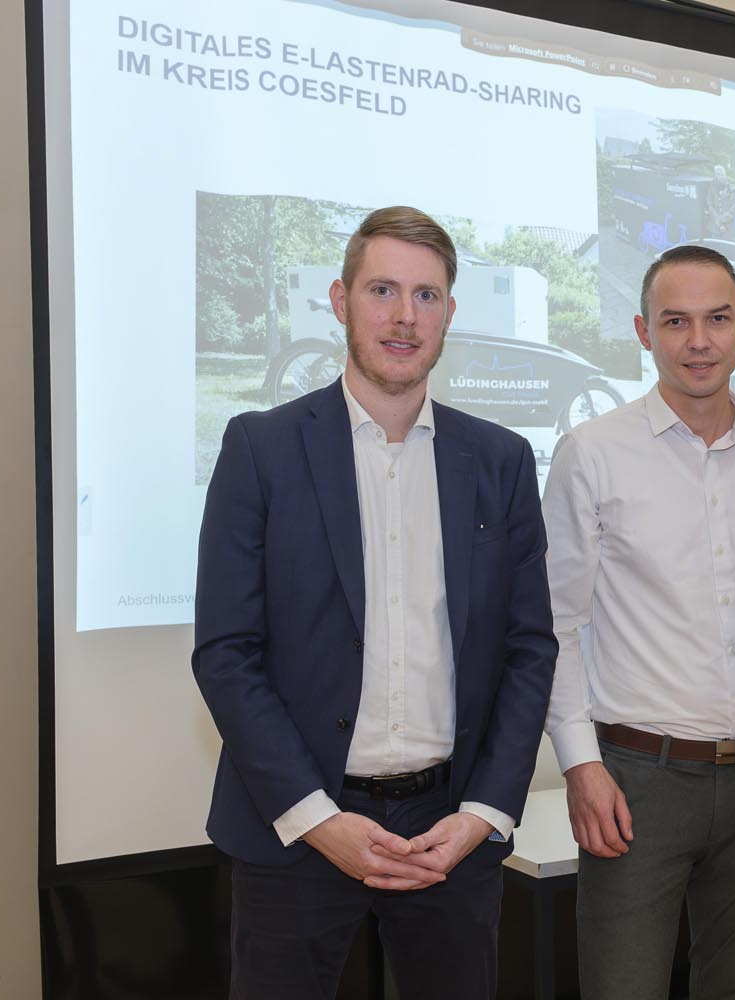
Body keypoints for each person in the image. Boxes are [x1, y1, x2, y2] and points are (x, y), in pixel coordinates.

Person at [193, 206, 557, 999]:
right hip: (295, 833)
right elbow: (226, 653)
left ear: (451, 314)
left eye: (427, 296)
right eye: (383, 290)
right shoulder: (260, 448)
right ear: (340, 299)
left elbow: (531, 650)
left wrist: (485, 811)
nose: (404, 316)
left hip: (449, 835)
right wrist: (317, 816)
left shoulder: (500, 461)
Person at [542, 244, 735, 1000]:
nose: (697, 341)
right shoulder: (591, 455)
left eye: (716, 319)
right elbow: (557, 624)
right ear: (643, 331)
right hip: (637, 782)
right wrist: (579, 764)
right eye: (675, 321)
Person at [706, 164, 735, 239]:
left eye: (722, 174)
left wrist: (722, 220)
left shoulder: (731, 188)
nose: (720, 176)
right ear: (715, 175)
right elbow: (709, 204)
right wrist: (717, 219)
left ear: (725, 175)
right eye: (718, 174)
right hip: (714, 225)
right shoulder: (711, 188)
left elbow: (734, 207)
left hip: (728, 226)